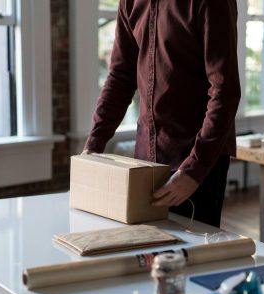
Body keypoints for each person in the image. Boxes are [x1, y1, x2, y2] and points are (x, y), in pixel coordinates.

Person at [83, 0, 241, 228]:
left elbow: (224, 92)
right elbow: (120, 78)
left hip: (196, 161)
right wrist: (92, 148)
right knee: (147, 256)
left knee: (192, 259)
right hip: (145, 162)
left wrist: (193, 171)